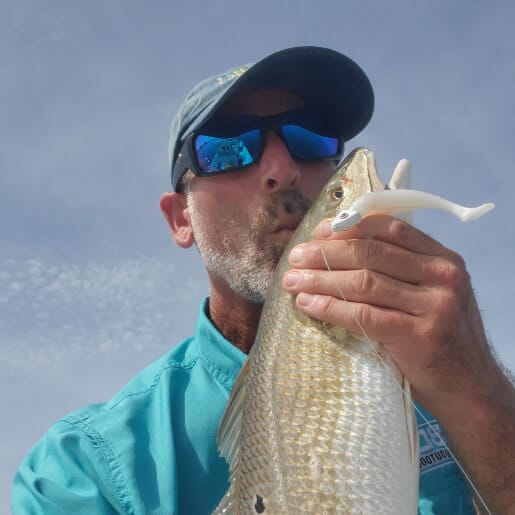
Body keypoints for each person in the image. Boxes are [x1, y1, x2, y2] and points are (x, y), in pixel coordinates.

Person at [12, 46, 515, 514]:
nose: (282, 169)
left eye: (310, 137)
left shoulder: (471, 382)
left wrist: (480, 398)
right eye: (228, 147)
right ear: (180, 219)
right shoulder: (83, 469)